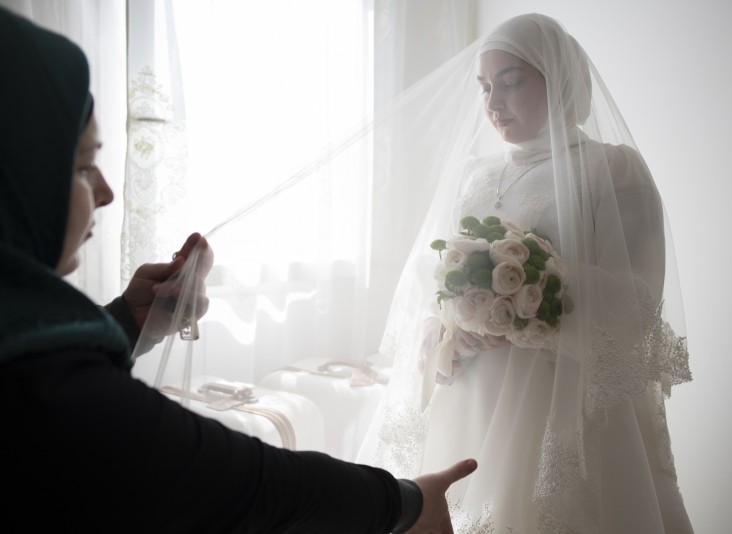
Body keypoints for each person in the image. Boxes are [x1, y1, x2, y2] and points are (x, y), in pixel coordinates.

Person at [0, 7, 476, 533]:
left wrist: (131, 320)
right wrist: (406, 501)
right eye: (84, 165)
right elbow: (245, 482)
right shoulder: (45, 383)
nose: (108, 193)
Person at [357, 13, 694, 533]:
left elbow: (637, 302)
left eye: (510, 83)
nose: (493, 103)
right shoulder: (477, 173)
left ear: (557, 79)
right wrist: (448, 325)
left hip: (559, 401)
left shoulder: (613, 169)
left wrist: (522, 307)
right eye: (485, 87)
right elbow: (438, 280)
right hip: (469, 392)